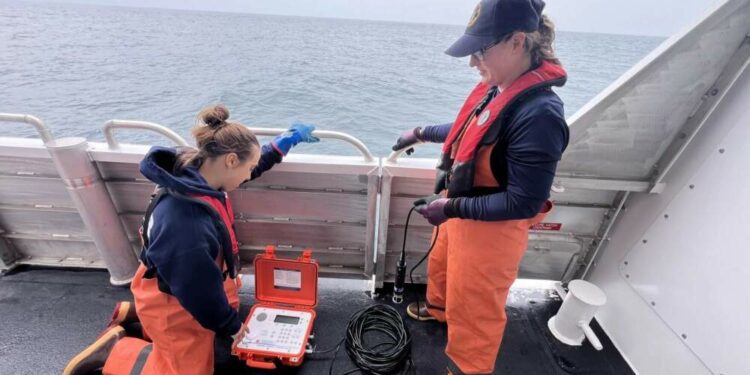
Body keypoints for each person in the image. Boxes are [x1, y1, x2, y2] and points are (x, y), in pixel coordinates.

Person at [63, 105, 319, 375]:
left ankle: (136, 317)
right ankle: (118, 352)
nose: (249, 175)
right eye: (249, 167)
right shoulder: (186, 223)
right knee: (187, 368)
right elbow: (198, 292)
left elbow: (246, 168)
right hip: (175, 302)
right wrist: (231, 326)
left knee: (210, 332)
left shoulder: (197, 170)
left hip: (182, 279)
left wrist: (282, 144)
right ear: (231, 160)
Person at [392, 0, 569, 373]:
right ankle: (438, 310)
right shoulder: (499, 86)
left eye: (480, 50)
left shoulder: (541, 115)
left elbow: (524, 202)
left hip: (492, 229)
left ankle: (467, 367)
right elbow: (472, 127)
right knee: (441, 264)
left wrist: (452, 208)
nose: (473, 62)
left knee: (475, 306)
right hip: (459, 208)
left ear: (517, 42)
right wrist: (421, 132)